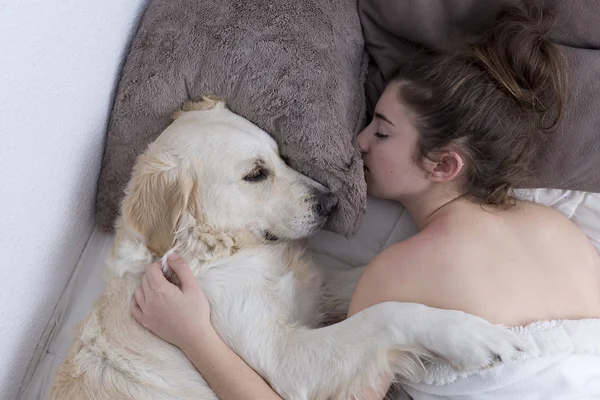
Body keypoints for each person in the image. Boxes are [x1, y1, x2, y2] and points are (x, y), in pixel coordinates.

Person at [131, 3, 600, 399]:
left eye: (382, 130)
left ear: (444, 165)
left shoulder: (399, 276)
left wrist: (191, 335)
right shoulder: (564, 233)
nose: (359, 141)